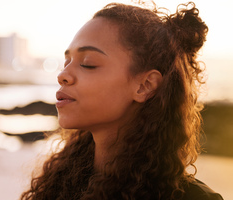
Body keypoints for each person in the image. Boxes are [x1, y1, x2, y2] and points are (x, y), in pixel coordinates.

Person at [21, 2, 224, 200]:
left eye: (87, 63)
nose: (63, 75)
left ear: (144, 86)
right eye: (67, 62)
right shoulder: (61, 183)